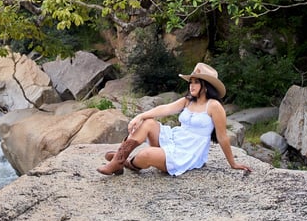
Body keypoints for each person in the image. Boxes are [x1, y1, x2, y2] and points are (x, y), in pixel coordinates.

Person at [97, 63, 253, 176]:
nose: (191, 86)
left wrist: (233, 163)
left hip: (188, 151)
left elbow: (222, 136)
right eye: (191, 82)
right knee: (148, 122)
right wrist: (140, 116)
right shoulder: (188, 100)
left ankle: (127, 163)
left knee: (146, 154)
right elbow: (165, 108)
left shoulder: (214, 106)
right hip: (175, 139)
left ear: (206, 86)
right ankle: (117, 162)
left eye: (196, 82)